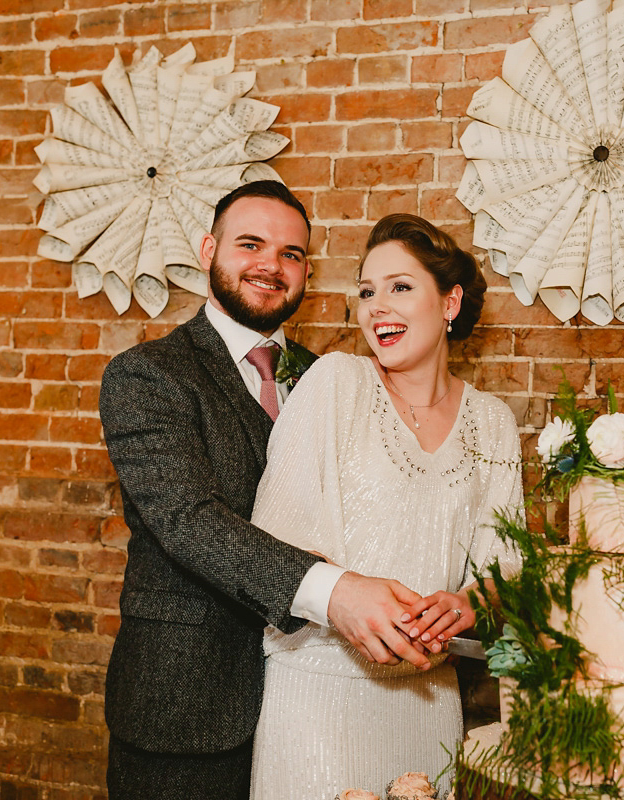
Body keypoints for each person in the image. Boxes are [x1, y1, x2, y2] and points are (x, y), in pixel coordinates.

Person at [99, 182, 433, 800]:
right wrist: (338, 594)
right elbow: (188, 521)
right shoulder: (146, 375)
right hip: (186, 704)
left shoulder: (333, 378)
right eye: (250, 244)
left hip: (313, 706)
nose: (271, 266)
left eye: (291, 254)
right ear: (208, 250)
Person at [248, 214, 524, 799]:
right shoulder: (335, 383)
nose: (377, 307)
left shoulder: (493, 423)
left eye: (400, 287)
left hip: (429, 701)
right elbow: (270, 550)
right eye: (367, 292)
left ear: (450, 302)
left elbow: (506, 571)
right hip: (319, 698)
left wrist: (470, 603)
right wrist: (352, 598)